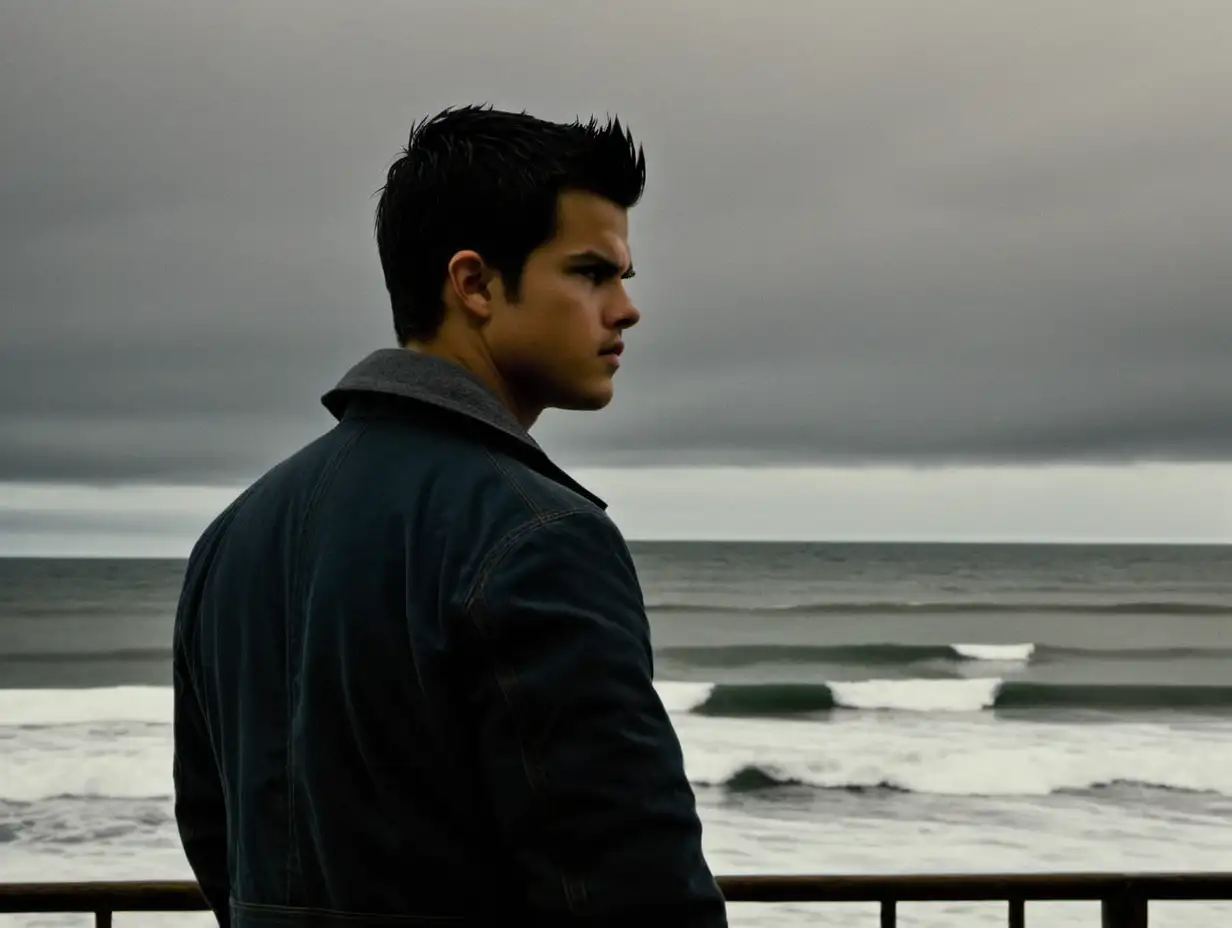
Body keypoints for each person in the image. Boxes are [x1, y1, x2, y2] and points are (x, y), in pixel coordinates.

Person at [172, 105, 728, 928]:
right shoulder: (537, 535)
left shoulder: (233, 536)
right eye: (589, 273)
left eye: (624, 279)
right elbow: (630, 883)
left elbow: (217, 843)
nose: (624, 310)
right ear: (473, 284)